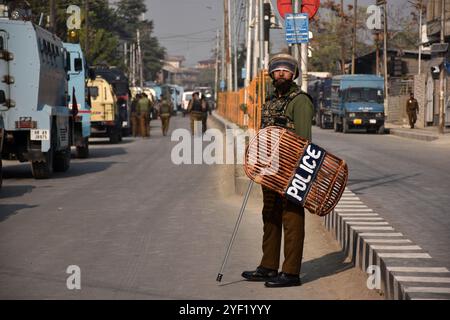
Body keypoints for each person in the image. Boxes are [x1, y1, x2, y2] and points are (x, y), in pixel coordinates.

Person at [241, 53, 313, 288]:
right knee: (269, 216)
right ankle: (268, 267)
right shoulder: (270, 101)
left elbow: (303, 141)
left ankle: (291, 272)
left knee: (291, 219)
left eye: (286, 69)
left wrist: (295, 174)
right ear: (271, 73)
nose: (281, 73)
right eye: (277, 69)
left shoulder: (300, 101)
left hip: (291, 171)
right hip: (270, 170)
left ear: (294, 74)